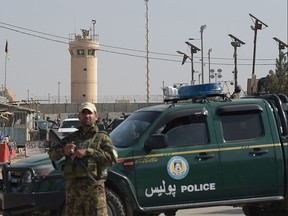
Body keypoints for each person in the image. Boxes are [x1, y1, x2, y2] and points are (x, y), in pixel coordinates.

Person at [48, 102, 118, 216]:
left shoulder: (102, 138)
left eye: (90, 113)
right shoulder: (71, 138)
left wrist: (88, 152)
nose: (87, 116)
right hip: (73, 192)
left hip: (94, 190)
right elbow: (52, 154)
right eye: (84, 113)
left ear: (96, 116)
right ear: (79, 116)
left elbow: (113, 157)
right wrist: (63, 151)